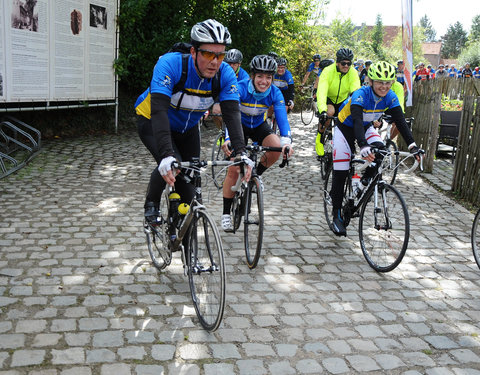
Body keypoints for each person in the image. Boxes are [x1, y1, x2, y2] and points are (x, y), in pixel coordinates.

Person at [135, 19, 251, 223]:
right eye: (208, 54)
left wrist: (241, 152)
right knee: (174, 165)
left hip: (187, 127)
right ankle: (151, 204)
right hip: (152, 121)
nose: (215, 61)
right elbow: (159, 111)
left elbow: (232, 114)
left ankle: (181, 228)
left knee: (191, 183)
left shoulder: (224, 74)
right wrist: (166, 154)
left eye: (220, 55)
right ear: (194, 52)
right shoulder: (171, 64)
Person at [329, 61, 421, 236]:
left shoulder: (391, 96)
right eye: (379, 82)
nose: (384, 86)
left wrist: (413, 146)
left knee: (382, 151)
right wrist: (363, 146)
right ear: (370, 81)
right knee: (341, 168)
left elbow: (400, 122)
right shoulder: (360, 95)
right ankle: (336, 215)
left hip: (365, 126)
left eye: (387, 82)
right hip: (345, 127)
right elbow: (356, 121)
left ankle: (364, 182)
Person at [220, 55, 294, 231]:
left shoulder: (275, 92)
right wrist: (229, 139)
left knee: (275, 147)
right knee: (233, 168)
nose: (264, 81)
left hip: (259, 125)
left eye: (269, 77)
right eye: (260, 76)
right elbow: (231, 117)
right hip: (239, 127)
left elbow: (282, 120)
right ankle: (225, 213)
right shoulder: (239, 88)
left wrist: (287, 141)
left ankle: (256, 173)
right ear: (252, 76)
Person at [315, 48, 360, 157]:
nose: (346, 66)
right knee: (329, 112)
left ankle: (349, 143)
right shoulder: (328, 71)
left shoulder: (353, 72)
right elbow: (321, 92)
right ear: (337, 62)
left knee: (349, 118)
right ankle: (319, 138)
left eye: (349, 63)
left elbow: (356, 92)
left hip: (342, 100)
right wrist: (322, 110)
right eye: (343, 63)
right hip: (329, 98)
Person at [210, 48, 249, 129]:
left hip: (237, 97)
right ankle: (222, 132)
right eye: (229, 63)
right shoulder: (220, 70)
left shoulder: (244, 76)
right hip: (221, 94)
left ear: (239, 64)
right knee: (215, 113)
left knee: (234, 115)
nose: (231, 66)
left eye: (234, 64)